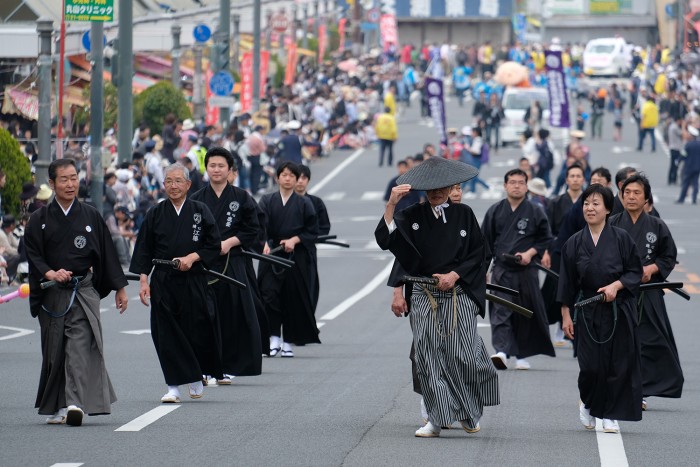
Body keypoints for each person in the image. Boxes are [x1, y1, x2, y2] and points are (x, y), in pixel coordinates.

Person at [375, 157, 499, 438]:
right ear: (422, 190)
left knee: (463, 352)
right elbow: (386, 240)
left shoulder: (464, 213)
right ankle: (435, 417)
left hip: (459, 292)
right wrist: (392, 204)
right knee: (427, 355)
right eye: (430, 188)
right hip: (423, 293)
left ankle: (468, 411)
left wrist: (455, 275)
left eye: (442, 187)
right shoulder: (412, 216)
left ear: (451, 187)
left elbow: (479, 254)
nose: (436, 192)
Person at [24, 158, 129, 426]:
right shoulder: (39, 220)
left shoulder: (91, 215)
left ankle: (74, 403)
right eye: (64, 179)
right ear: (51, 184)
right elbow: (33, 254)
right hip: (51, 293)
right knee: (55, 350)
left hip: (82, 290)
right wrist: (50, 273)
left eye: (74, 178)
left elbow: (106, 254)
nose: (71, 184)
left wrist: (119, 288)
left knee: (79, 346)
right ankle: (60, 404)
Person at [130, 162, 224, 403]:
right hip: (163, 279)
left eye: (178, 181)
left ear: (188, 184)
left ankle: (195, 377)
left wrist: (192, 258)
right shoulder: (155, 213)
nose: (173, 186)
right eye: (169, 181)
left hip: (193, 279)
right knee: (165, 334)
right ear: (163, 185)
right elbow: (144, 250)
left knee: (194, 330)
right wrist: (143, 281)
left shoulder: (200, 210)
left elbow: (213, 244)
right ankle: (173, 387)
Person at [558, 184, 643, 434]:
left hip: (618, 310)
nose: (590, 208)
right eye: (586, 203)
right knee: (590, 367)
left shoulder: (621, 239)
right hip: (587, 311)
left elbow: (634, 272)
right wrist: (565, 315)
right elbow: (566, 283)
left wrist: (616, 286)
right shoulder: (573, 244)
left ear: (607, 209)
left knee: (618, 365)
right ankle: (587, 401)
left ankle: (609, 415)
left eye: (596, 203)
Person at [609, 174, 683, 410]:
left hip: (648, 293)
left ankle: (639, 390)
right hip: (619, 293)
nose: (631, 196)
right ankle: (616, 388)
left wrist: (652, 268)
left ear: (646, 198)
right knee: (618, 342)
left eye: (637, 193)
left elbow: (668, 256)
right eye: (627, 192)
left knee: (649, 341)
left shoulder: (656, 226)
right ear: (621, 195)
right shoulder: (612, 223)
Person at [190, 148, 263, 384]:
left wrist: (229, 242)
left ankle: (228, 366)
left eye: (221, 166)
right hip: (204, 264)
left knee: (232, 314)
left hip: (233, 261)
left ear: (230, 170)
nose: (216, 170)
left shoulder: (242, 197)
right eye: (212, 165)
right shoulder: (197, 199)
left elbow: (253, 229)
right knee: (203, 315)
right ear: (206, 168)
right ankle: (204, 367)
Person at [481, 169, 555, 370]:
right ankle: (502, 352)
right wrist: (483, 271)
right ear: (505, 185)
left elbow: (545, 239)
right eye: (512, 182)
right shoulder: (495, 211)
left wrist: (531, 253)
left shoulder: (535, 211)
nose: (516, 186)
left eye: (521, 182)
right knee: (501, 310)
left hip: (526, 271)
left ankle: (522, 355)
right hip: (502, 270)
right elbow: (484, 243)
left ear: (526, 186)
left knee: (524, 312)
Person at [258, 162, 320, 358]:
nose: (287, 178)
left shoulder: (304, 203)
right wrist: (264, 243)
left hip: (295, 256)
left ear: (296, 179)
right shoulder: (267, 200)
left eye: (291, 176)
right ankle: (273, 337)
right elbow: (258, 226)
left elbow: (312, 230)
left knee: (292, 298)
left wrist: (295, 239)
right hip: (272, 254)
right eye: (284, 175)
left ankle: (287, 342)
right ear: (277, 178)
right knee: (269, 296)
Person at [542, 164, 585, 340]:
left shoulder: (588, 203)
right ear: (566, 179)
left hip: (583, 251)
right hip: (560, 250)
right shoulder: (556, 202)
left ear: (583, 179)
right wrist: (546, 252)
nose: (575, 179)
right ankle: (560, 323)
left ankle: (572, 324)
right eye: (572, 176)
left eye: (578, 176)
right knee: (557, 287)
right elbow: (547, 229)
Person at [676, 125, 700, 204]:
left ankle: (681, 198)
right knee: (695, 183)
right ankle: (694, 199)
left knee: (685, 183)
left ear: (692, 136)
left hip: (688, 167)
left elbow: (683, 155)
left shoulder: (688, 145)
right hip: (697, 167)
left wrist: (678, 161)